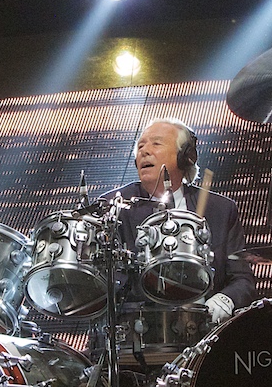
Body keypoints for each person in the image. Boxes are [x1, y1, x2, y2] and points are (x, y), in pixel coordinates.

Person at [102, 118, 257, 323]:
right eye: (140, 145)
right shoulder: (114, 206)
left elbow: (242, 279)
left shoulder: (220, 209)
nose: (144, 151)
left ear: (186, 157)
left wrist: (225, 300)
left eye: (156, 143)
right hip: (138, 332)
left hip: (204, 331)